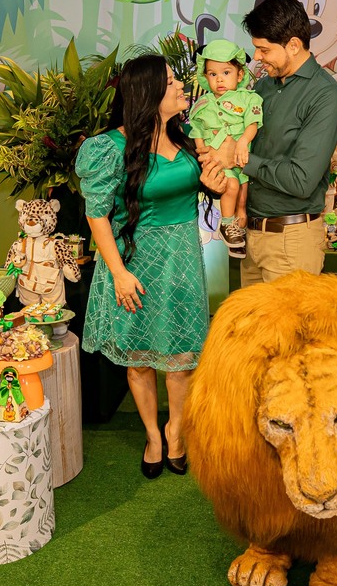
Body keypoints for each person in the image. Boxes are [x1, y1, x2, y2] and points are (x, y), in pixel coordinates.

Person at [76, 54, 228, 479]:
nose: (181, 85)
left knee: (180, 357)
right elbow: (96, 215)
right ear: (149, 93)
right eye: (171, 80)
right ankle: (153, 437)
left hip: (182, 260)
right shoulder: (109, 148)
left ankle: (175, 432)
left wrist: (211, 188)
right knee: (140, 359)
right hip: (136, 263)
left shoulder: (186, 136)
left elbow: (193, 188)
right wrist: (119, 274)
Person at [200, 0, 337, 285]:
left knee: (288, 318)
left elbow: (302, 180)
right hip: (250, 237)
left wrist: (239, 160)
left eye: (264, 49)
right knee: (250, 318)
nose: (256, 57)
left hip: (291, 242)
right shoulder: (263, 89)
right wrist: (218, 174)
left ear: (293, 45)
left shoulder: (325, 96)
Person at [188, 39, 263, 259]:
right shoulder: (202, 104)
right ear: (205, 76)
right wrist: (203, 153)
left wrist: (243, 141)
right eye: (213, 74)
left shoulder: (249, 99)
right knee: (231, 185)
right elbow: (197, 130)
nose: (219, 79)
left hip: (242, 158)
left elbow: (253, 123)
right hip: (218, 161)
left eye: (226, 72)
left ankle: (237, 233)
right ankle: (227, 223)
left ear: (240, 75)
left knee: (243, 197)